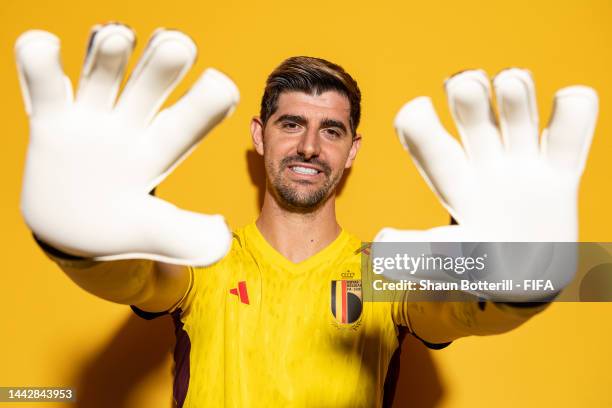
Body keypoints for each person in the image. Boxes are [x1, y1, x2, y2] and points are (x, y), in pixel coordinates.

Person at [15, 23, 599, 408]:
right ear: (260, 136)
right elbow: (137, 277)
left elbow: (459, 315)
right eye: (291, 124)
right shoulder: (207, 258)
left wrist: (521, 283)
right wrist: (80, 247)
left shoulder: (384, 273)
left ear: (352, 152)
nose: (310, 147)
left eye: (332, 130)